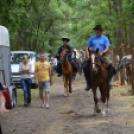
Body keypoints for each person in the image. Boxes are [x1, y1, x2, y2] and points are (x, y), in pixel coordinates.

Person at [83, 25, 116, 91]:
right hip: (93, 55)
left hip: (102, 55)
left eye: (98, 30)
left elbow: (107, 48)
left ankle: (108, 82)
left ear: (101, 31)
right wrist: (88, 55)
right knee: (84, 66)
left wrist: (102, 52)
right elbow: (87, 48)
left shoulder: (105, 38)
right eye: (96, 30)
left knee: (111, 67)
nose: (97, 32)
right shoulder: (91, 39)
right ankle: (88, 83)